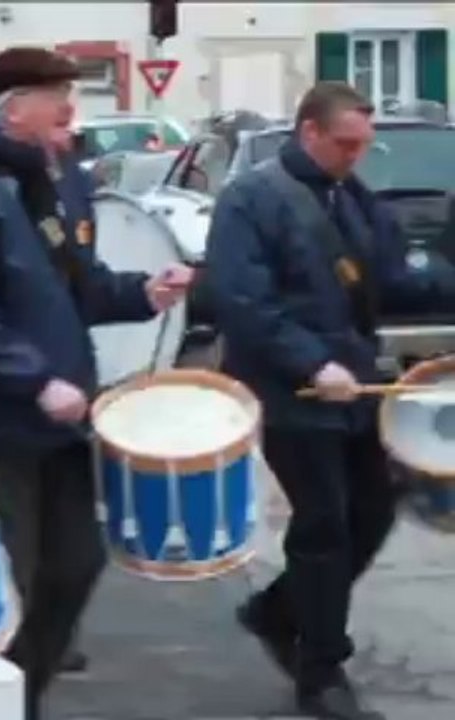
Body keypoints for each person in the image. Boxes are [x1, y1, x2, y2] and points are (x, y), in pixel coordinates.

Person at [0, 47, 192, 718]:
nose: (69, 108)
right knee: (7, 585)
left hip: (60, 420)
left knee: (76, 565)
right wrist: (34, 381)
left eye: (69, 93)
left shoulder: (66, 183)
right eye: (54, 95)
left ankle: (22, 694)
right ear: (12, 108)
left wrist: (142, 292)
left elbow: (77, 286)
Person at [207, 81, 455, 720]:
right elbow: (242, 303)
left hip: (354, 384)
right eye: (345, 144)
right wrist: (310, 361)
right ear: (309, 132)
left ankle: (276, 610)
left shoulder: (353, 195)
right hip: (289, 390)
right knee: (323, 526)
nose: (355, 156)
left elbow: (393, 279)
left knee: (372, 513)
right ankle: (321, 671)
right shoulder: (251, 199)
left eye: (362, 146)